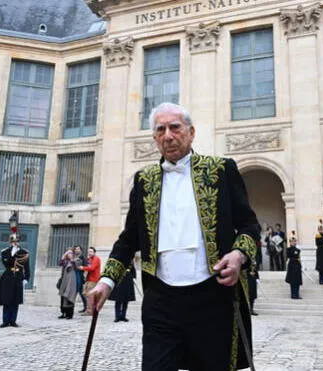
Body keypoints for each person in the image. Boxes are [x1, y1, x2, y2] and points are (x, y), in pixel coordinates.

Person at [87, 102, 260, 371]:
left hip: (213, 295)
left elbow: (249, 225)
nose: (168, 135)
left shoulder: (222, 170)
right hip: (161, 300)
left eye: (175, 127)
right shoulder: (144, 181)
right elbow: (128, 239)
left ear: (191, 132)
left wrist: (238, 255)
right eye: (161, 129)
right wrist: (106, 281)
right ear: (155, 138)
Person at [0, 233, 30, 328]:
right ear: (10, 242)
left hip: (18, 276)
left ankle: (13, 321)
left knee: (15, 300)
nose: (15, 243)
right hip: (8, 276)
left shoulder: (24, 252)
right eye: (13, 241)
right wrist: (13, 252)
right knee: (6, 299)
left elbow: (27, 267)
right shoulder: (5, 252)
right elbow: (7, 263)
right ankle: (5, 321)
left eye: (16, 241)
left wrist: (26, 278)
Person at [81, 247, 101, 316]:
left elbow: (92, 268)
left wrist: (82, 267)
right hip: (88, 279)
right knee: (86, 294)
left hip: (93, 280)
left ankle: (90, 311)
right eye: (89, 251)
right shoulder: (90, 259)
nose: (89, 253)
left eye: (91, 251)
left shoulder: (96, 259)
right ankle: (91, 309)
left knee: (90, 296)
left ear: (94, 252)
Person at [58, 249, 78, 319]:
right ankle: (63, 313)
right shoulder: (65, 262)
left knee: (70, 297)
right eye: (68, 253)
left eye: (71, 253)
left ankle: (69, 314)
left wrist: (72, 261)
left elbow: (76, 268)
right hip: (64, 281)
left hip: (71, 282)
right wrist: (64, 255)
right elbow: (60, 263)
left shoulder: (75, 261)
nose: (70, 254)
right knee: (63, 297)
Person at [73, 245, 88, 313]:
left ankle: (86, 307)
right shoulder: (72, 257)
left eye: (78, 249)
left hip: (79, 276)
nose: (77, 250)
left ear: (81, 250)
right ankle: (70, 307)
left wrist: (85, 276)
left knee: (81, 293)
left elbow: (86, 267)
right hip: (73, 276)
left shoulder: (83, 258)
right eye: (76, 249)